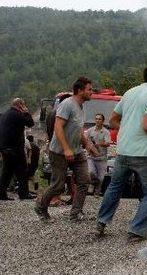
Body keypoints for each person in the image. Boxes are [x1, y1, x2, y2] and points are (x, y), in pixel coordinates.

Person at [96, 65, 147, 243]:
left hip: (123, 150)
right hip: (144, 153)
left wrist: (128, 130)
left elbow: (113, 120)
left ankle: (101, 222)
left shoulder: (129, 93)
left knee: (114, 186)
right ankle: (136, 231)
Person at [34, 77, 98, 221]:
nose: (91, 92)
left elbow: (79, 129)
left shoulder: (81, 106)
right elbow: (58, 127)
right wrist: (66, 149)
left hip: (77, 151)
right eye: (89, 89)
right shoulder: (67, 105)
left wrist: (87, 144)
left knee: (84, 181)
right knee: (58, 186)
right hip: (59, 152)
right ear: (80, 90)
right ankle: (41, 207)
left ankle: (75, 213)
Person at [0, 98, 35, 200]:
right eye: (23, 105)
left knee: (7, 172)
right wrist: (26, 112)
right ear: (20, 105)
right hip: (15, 148)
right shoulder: (17, 114)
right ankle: (23, 194)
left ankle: (1, 194)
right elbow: (30, 123)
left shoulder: (5, 114)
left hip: (5, 147)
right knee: (22, 170)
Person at [86, 113, 110, 196]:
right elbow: (85, 141)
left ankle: (97, 191)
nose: (97, 120)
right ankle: (92, 183)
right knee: (91, 172)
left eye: (99, 119)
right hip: (91, 157)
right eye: (96, 119)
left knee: (101, 177)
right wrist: (89, 147)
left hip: (101, 157)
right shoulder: (89, 131)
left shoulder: (106, 132)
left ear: (103, 121)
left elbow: (108, 143)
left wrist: (99, 144)